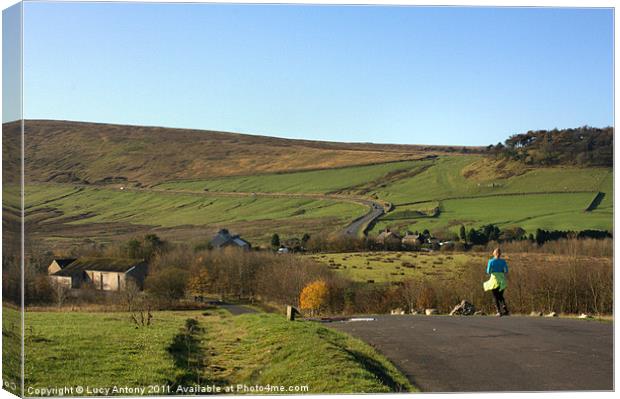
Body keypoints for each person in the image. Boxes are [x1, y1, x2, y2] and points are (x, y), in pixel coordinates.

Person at [483, 247, 509, 316]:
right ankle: (505, 309)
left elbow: (488, 271)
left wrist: (493, 271)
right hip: (502, 279)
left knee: (495, 297)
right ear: (500, 254)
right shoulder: (503, 261)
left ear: (494, 253)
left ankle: (498, 311)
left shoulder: (491, 261)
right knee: (500, 296)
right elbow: (506, 270)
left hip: (494, 280)